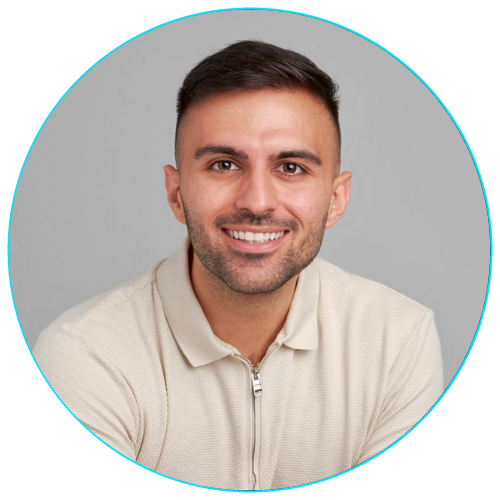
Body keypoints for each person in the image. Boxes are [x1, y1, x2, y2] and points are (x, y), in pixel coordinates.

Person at [33, 40, 444, 490]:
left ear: (335, 199)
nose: (257, 202)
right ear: (176, 193)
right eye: (224, 164)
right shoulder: (84, 355)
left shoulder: (397, 341)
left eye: (290, 167)